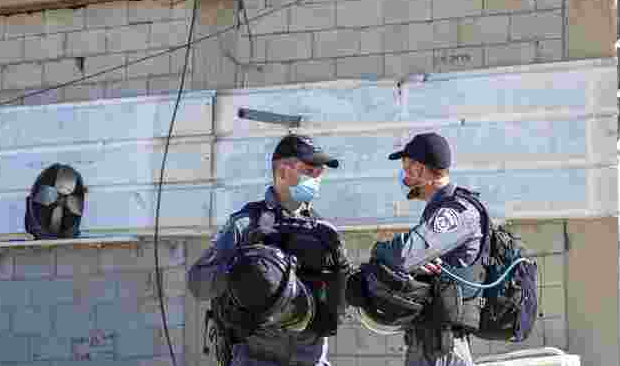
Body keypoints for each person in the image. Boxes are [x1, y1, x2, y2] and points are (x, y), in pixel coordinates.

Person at [189, 135, 350, 366]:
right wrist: (242, 271)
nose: (316, 178)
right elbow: (197, 281)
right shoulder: (246, 224)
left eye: (320, 172)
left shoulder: (324, 232)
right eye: (309, 170)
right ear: (283, 171)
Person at [368, 132, 486, 366]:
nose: (404, 177)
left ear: (421, 170)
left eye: (407, 168)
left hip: (441, 349)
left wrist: (378, 249)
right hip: (431, 343)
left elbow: (404, 254)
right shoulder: (438, 210)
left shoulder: (456, 212)